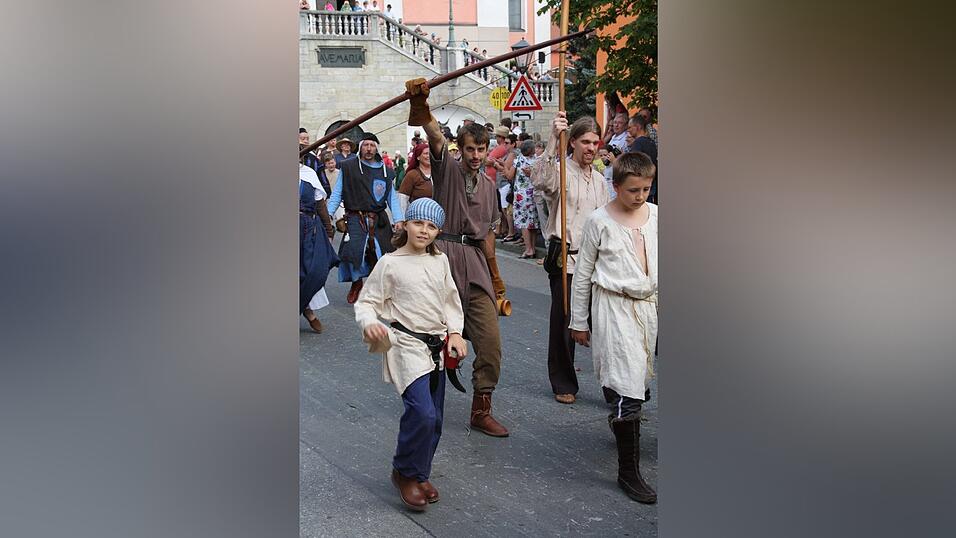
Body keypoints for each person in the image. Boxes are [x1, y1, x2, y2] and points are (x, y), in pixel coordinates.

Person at [405, 77, 510, 437]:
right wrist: (422, 107)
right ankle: (425, 403)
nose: (476, 156)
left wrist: (496, 279)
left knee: (490, 343)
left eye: (482, 149)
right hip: (443, 259)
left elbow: (490, 235)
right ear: (461, 150)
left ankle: (482, 407)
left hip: (476, 264)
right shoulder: (446, 169)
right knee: (432, 339)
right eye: (470, 149)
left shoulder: (492, 186)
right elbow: (436, 137)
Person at [355, 197, 467, 512]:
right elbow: (367, 302)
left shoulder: (440, 261)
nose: (424, 231)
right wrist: (370, 324)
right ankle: (404, 471)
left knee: (436, 420)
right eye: (418, 223)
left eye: (431, 226)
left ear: (438, 231)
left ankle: (420, 472)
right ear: (405, 224)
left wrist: (455, 333)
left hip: (437, 347)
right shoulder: (390, 263)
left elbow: (450, 301)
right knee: (422, 413)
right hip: (406, 347)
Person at [570, 152, 658, 504]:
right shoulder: (599, 222)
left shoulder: (657, 217)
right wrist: (579, 321)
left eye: (646, 189)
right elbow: (583, 275)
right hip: (614, 307)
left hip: (651, 305)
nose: (640, 196)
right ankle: (628, 471)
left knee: (638, 380)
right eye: (633, 190)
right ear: (616, 185)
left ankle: (621, 413)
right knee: (626, 383)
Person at [531, 111, 611, 405]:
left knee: (603, 323)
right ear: (573, 142)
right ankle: (563, 381)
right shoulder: (560, 171)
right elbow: (539, 181)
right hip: (565, 256)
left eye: (595, 142)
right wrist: (553, 137)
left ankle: (614, 384)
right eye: (585, 142)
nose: (591, 148)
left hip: (596, 260)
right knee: (565, 321)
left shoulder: (601, 180)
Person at [326, 132, 405, 304]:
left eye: (372, 145)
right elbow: (337, 193)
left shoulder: (387, 171)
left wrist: (399, 219)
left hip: (379, 219)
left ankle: (378, 288)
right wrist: (327, 215)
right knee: (355, 252)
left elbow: (392, 197)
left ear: (377, 148)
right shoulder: (348, 167)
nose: (369, 149)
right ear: (360, 147)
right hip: (356, 218)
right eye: (366, 145)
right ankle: (356, 283)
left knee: (382, 253)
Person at [300, 155, 338, 333]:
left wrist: (329, 231)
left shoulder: (308, 174)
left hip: (305, 228)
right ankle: (308, 312)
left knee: (311, 270)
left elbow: (320, 205)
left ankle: (305, 307)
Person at [512, 140, 540, 258]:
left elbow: (509, 175)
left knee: (524, 223)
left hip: (521, 195)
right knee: (532, 222)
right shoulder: (536, 160)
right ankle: (532, 248)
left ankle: (528, 249)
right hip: (533, 193)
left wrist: (499, 166)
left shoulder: (518, 160)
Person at [627, 115, 658, 203]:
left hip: (640, 186)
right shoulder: (651, 142)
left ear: (638, 127)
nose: (628, 130)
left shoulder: (638, 143)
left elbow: (633, 165)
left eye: (630, 127)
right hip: (651, 183)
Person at [398, 142, 435, 207]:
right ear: (418, 157)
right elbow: (403, 198)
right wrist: (402, 216)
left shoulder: (437, 173)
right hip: (418, 214)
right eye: (426, 153)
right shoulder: (412, 175)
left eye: (430, 154)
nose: (429, 156)